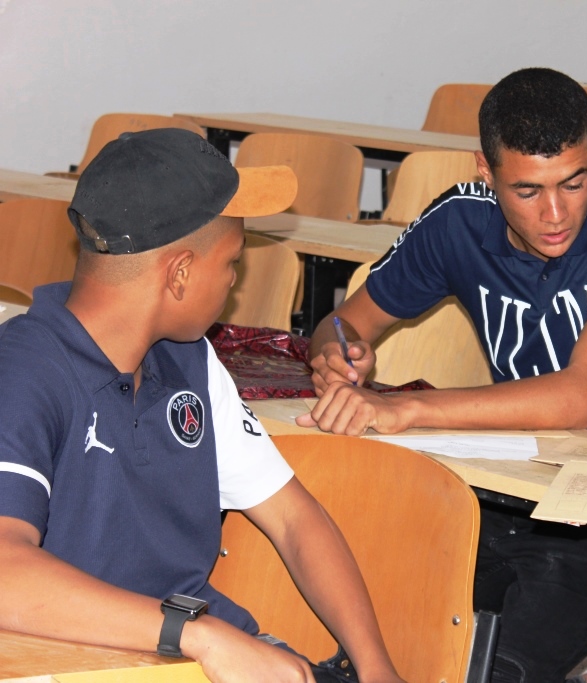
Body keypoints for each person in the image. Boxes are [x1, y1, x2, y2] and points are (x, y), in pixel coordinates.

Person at [302, 68, 587, 683]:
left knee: (485, 672)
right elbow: (343, 323)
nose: (555, 213)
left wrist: (404, 408)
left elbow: (583, 397)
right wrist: (338, 357)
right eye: (527, 190)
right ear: (485, 169)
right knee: (350, 638)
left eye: (575, 182)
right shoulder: (458, 219)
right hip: (495, 494)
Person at [0, 128, 404, 683]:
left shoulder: (190, 359)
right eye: (233, 262)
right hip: (105, 662)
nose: (235, 282)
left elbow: (294, 520)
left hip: (201, 653)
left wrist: (377, 669)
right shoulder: (24, 370)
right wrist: (198, 636)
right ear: (180, 273)